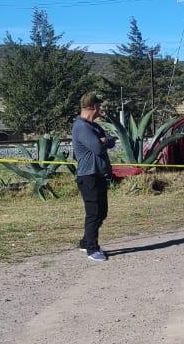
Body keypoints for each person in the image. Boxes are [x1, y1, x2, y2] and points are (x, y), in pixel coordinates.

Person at [72, 92, 116, 261]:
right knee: (93, 213)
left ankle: (85, 241)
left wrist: (104, 141)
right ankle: (92, 248)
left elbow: (110, 140)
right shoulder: (81, 127)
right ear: (94, 107)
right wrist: (103, 141)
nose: (100, 110)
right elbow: (98, 148)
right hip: (88, 175)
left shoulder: (94, 127)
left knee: (102, 212)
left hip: (99, 174)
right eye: (99, 106)